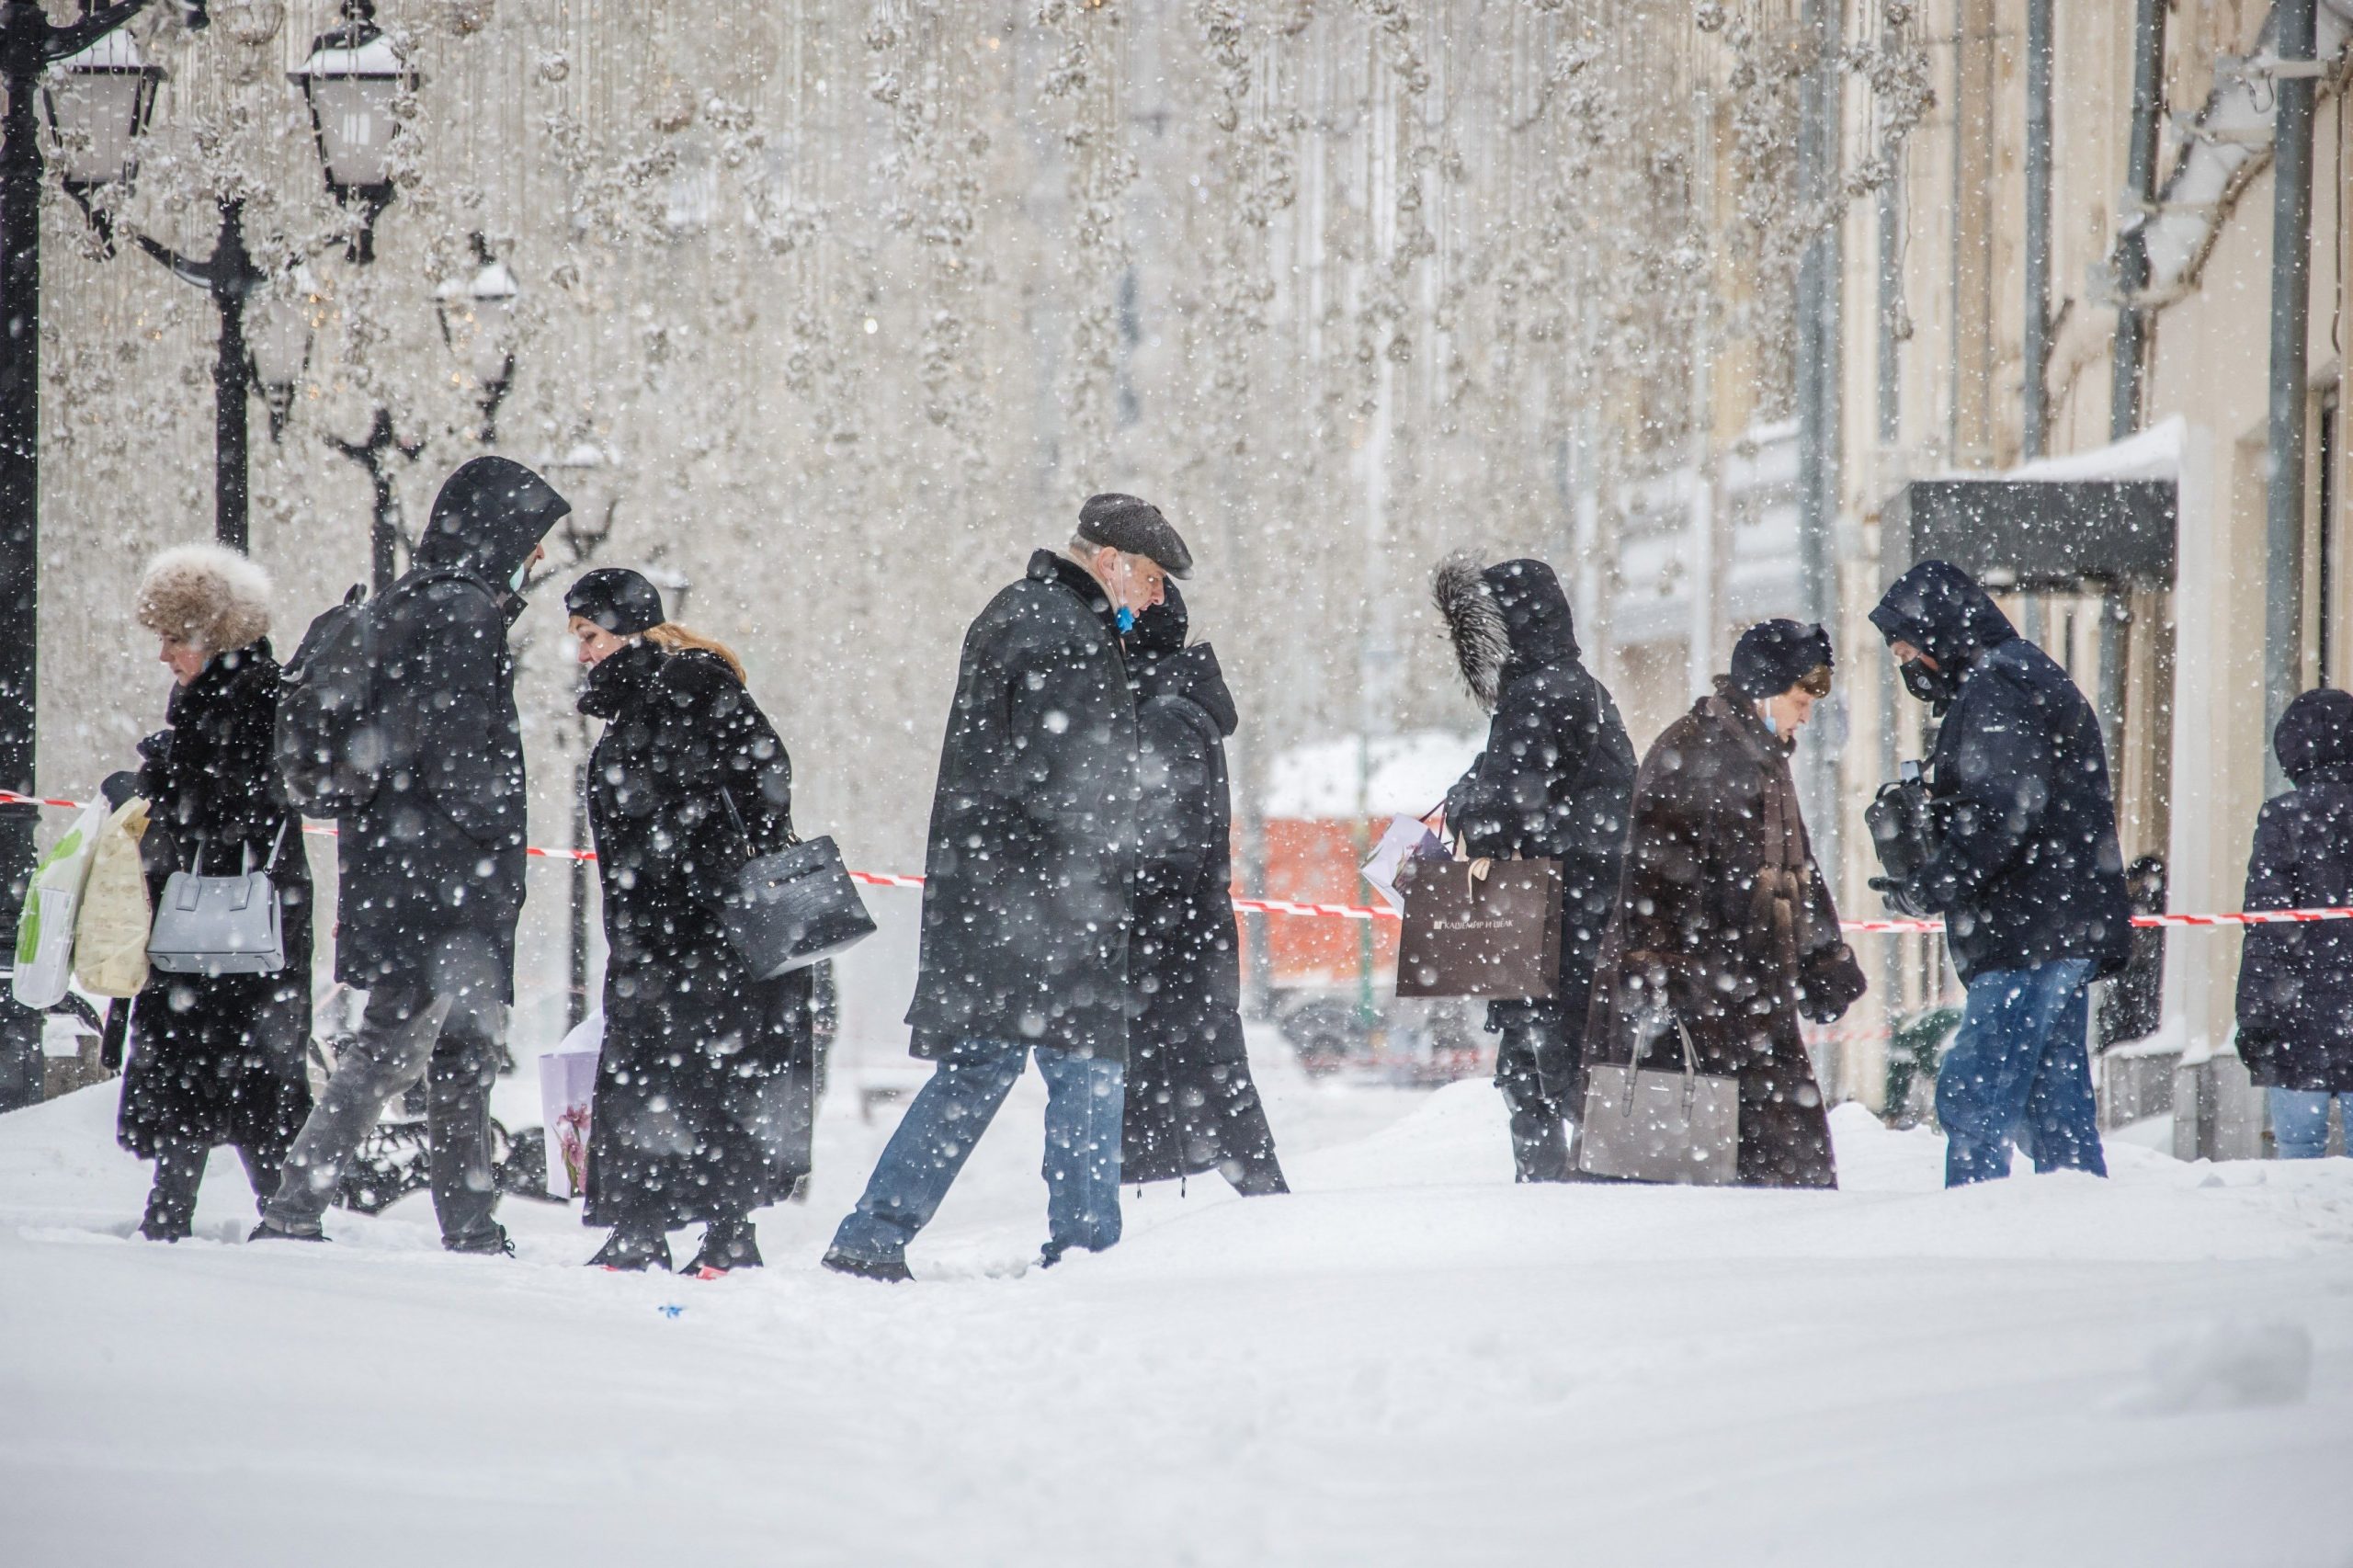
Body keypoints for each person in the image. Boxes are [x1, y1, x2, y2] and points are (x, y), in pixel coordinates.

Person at [823, 494, 1187, 1281]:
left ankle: (873, 1234)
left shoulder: (1028, 613)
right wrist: (1120, 853)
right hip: (1049, 901)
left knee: (985, 1064)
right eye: (1152, 578)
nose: (1157, 596)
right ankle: (1085, 1248)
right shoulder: (1066, 636)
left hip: (1003, 896)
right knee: (1086, 1060)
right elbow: (1073, 782)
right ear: (1113, 563)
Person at [256, 457, 569, 1252]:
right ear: (497, 531)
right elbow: (462, 756)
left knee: (459, 1055)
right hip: (444, 882)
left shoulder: (411, 603)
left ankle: (470, 1225)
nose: (535, 557)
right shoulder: (462, 612)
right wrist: (486, 860)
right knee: (391, 1054)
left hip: (405, 871)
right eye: (530, 540)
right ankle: (294, 1211)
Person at [565, 568, 817, 1272]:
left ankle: (724, 1235)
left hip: (712, 934)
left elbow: (765, 780)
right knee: (657, 1076)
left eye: (590, 635)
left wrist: (707, 875)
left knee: (705, 1077)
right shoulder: (636, 702)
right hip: (659, 937)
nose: (582, 653)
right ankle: (648, 1226)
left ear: (628, 627)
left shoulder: (692, 685)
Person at [1870, 560, 2131, 1187]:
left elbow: (2003, 810)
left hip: (2027, 930)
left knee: (1978, 1090)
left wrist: (1930, 884)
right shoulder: (2012, 675)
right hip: (2056, 922)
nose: (1910, 669)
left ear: (1939, 636)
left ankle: (1976, 1224)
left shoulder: (1996, 685)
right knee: (2053, 1098)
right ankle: (2077, 1226)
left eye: (1911, 652)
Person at [1583, 621, 1866, 1187]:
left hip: (1748, 1002)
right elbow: (1649, 890)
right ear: (1764, 690)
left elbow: (1796, 875)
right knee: (1699, 1182)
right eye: (1798, 700)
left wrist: (1822, 961)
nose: (1805, 715)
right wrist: (1659, 986)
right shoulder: (1691, 755)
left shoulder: (1759, 757)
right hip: (1697, 1013)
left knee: (1778, 1180)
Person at [115, 545, 313, 1241]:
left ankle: (249, 1218)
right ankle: (277, 1216)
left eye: (173, 638)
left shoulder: (254, 696)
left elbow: (242, 805)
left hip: (227, 923)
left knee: (213, 1067)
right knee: (242, 1076)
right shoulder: (229, 691)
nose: (164, 655)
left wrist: (164, 780)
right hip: (231, 926)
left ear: (210, 633)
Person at [1432, 555, 1636, 1182]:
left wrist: (1463, 801)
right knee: (1543, 1060)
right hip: (1590, 906)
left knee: (1547, 1069)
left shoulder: (1534, 694)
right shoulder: (1580, 686)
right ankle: (1565, 1182)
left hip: (1558, 914)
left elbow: (1501, 811)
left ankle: (1557, 1189)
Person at [1120, 584, 1287, 1197]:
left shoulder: (1164, 716)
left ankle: (1268, 1210)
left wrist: (1139, 940)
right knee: (1210, 1084)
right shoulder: (1168, 706)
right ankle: (1264, 1204)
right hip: (1187, 945)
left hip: (1175, 952)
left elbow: (1168, 850)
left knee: (1209, 1085)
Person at [2235, 687, 2353, 1159]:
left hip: (2298, 1021)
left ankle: (2295, 1230)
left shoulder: (2284, 818)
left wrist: (2256, 1018)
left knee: (2299, 1153)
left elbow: (2267, 927)